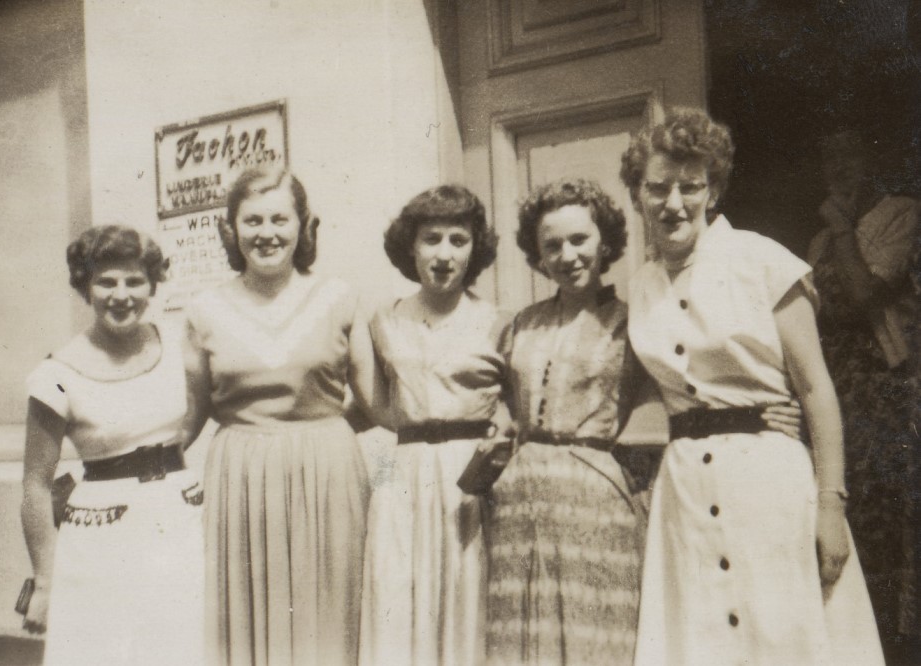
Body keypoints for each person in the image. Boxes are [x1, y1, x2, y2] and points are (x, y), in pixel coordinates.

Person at [621, 107, 883, 665]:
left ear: (713, 190)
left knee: (780, 637)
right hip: (685, 493)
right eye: (658, 188)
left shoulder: (764, 262)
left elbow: (815, 390)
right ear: (638, 195)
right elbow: (651, 398)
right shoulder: (641, 286)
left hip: (768, 483)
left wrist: (831, 506)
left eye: (690, 187)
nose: (674, 203)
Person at [181, 165, 372, 665]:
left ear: (304, 225)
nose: (267, 233)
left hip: (328, 473)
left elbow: (376, 402)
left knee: (330, 612)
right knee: (245, 619)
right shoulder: (205, 310)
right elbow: (190, 415)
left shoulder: (339, 298)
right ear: (230, 229)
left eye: (280, 219)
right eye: (252, 221)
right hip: (240, 475)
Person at [20, 225, 203, 666]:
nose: (122, 295)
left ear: (152, 285)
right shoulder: (57, 371)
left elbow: (197, 415)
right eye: (106, 281)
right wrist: (44, 581)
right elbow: (35, 484)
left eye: (135, 280)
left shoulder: (178, 346)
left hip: (179, 520)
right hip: (101, 538)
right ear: (85, 284)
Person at [484, 179, 649, 665]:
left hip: (595, 495)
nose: (568, 255)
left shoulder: (632, 319)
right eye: (552, 245)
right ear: (537, 255)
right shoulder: (520, 323)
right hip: (519, 500)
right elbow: (501, 402)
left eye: (579, 240)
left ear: (605, 241)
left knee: (595, 636)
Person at [356, 185, 506, 666]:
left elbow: (517, 408)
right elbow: (373, 406)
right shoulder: (383, 320)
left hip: (470, 478)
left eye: (458, 240)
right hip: (401, 474)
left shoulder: (499, 322)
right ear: (411, 247)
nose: (444, 254)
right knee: (397, 596)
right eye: (431, 239)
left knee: (466, 597)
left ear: (474, 248)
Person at [808, 130, 921, 662]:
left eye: (849, 152)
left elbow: (862, 296)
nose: (839, 166)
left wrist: (841, 228)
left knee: (885, 521)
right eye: (830, 156)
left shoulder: (902, 215)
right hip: (837, 391)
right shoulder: (819, 242)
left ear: (872, 156)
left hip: (883, 388)